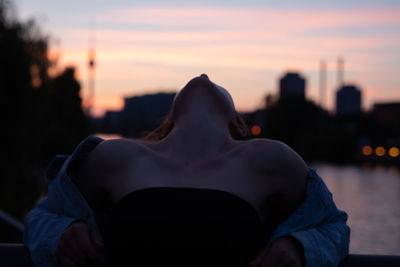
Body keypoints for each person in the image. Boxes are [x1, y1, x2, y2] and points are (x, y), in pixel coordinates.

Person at [24, 74, 350, 267]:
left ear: (237, 124)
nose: (203, 75)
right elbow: (42, 216)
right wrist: (61, 235)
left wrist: (300, 246)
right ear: (169, 120)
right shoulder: (117, 154)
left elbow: (333, 224)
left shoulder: (270, 158)